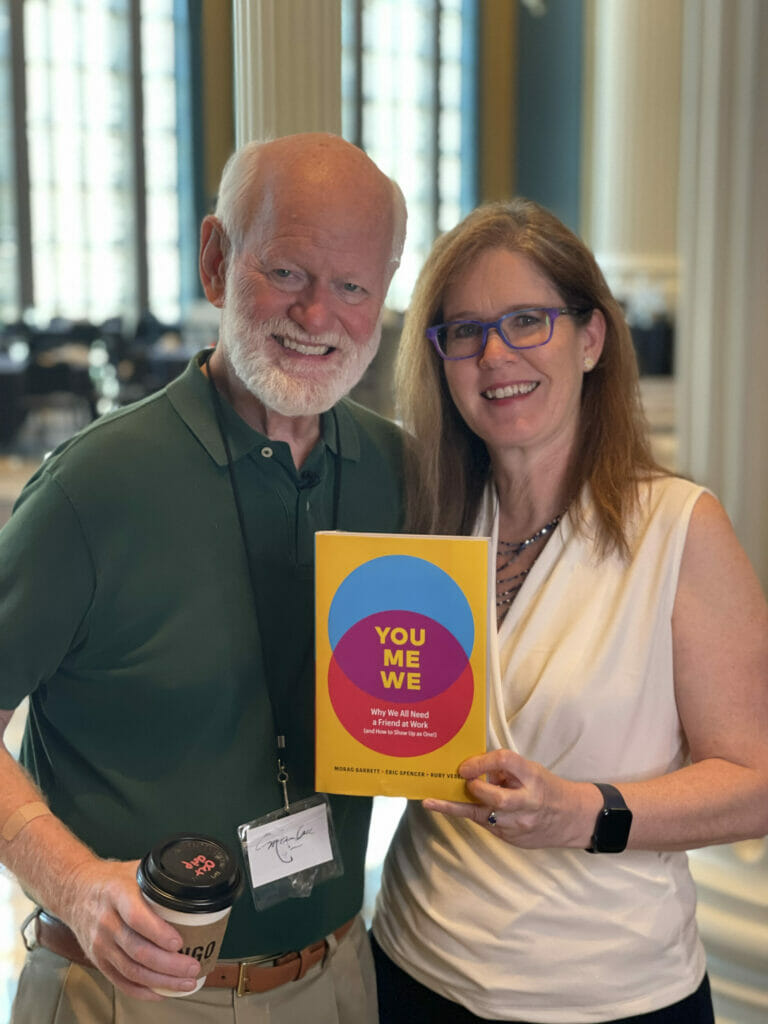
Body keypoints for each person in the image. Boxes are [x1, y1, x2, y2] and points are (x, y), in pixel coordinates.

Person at [0, 132, 407, 1024]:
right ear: (217, 260)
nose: (318, 316)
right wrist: (73, 884)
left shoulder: (400, 475)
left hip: (339, 975)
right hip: (129, 993)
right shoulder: (92, 488)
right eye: (290, 271)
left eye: (353, 287)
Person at [370, 198, 768, 1024]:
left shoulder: (679, 528)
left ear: (592, 339)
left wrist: (583, 811)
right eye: (466, 332)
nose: (496, 355)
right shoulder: (424, 520)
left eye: (527, 320)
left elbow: (755, 783)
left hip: (610, 996)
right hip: (410, 966)